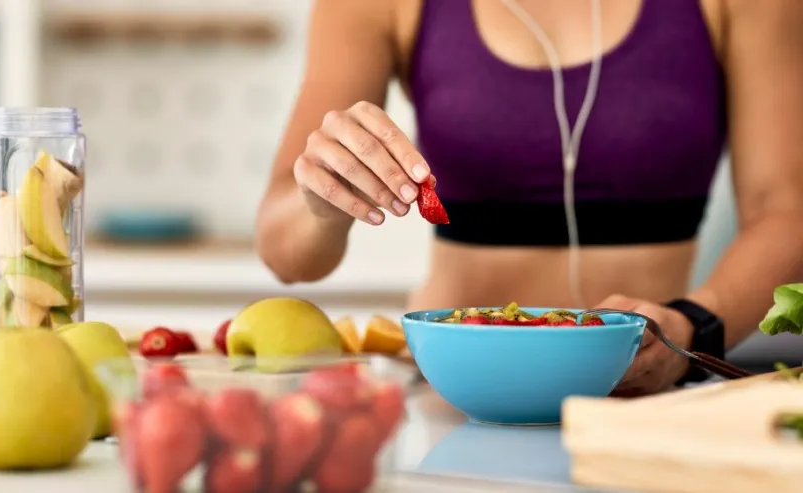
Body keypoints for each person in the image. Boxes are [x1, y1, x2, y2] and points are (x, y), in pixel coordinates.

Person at [255, 0, 803, 396]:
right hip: (454, 397)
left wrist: (693, 327)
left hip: (643, 397)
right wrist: (320, 201)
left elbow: (787, 210)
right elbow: (286, 254)